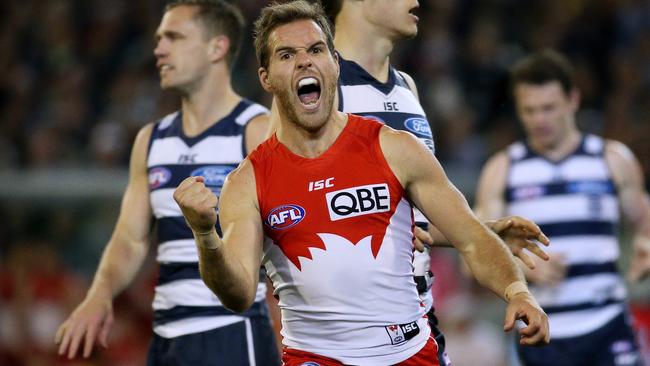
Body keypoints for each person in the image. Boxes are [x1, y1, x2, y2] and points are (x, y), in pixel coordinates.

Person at [174, 1, 550, 365]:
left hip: (413, 331)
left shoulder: (398, 131)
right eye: (287, 55)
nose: (304, 60)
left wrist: (515, 288)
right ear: (266, 78)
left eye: (316, 49)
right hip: (318, 353)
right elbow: (241, 288)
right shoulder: (254, 176)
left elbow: (456, 229)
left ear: (333, 61)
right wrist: (206, 234)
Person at [315, 1, 552, 363]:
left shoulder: (407, 87)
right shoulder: (317, 84)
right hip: (353, 329)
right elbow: (284, 198)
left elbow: (412, 214)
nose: (415, 1)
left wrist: (478, 231)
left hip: (418, 317)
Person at [54, 1, 280, 365]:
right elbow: (131, 237)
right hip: (165, 339)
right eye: (160, 38)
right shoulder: (152, 139)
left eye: (174, 37)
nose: (159, 49)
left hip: (231, 333)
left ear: (216, 48)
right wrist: (100, 294)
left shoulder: (256, 130)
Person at [475, 49, 650, 366]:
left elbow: (643, 215)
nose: (539, 119)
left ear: (573, 100)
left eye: (549, 108)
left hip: (607, 326)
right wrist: (521, 264)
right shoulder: (502, 170)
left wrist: (645, 242)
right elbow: (472, 251)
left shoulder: (611, 159)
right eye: (529, 110)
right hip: (542, 334)